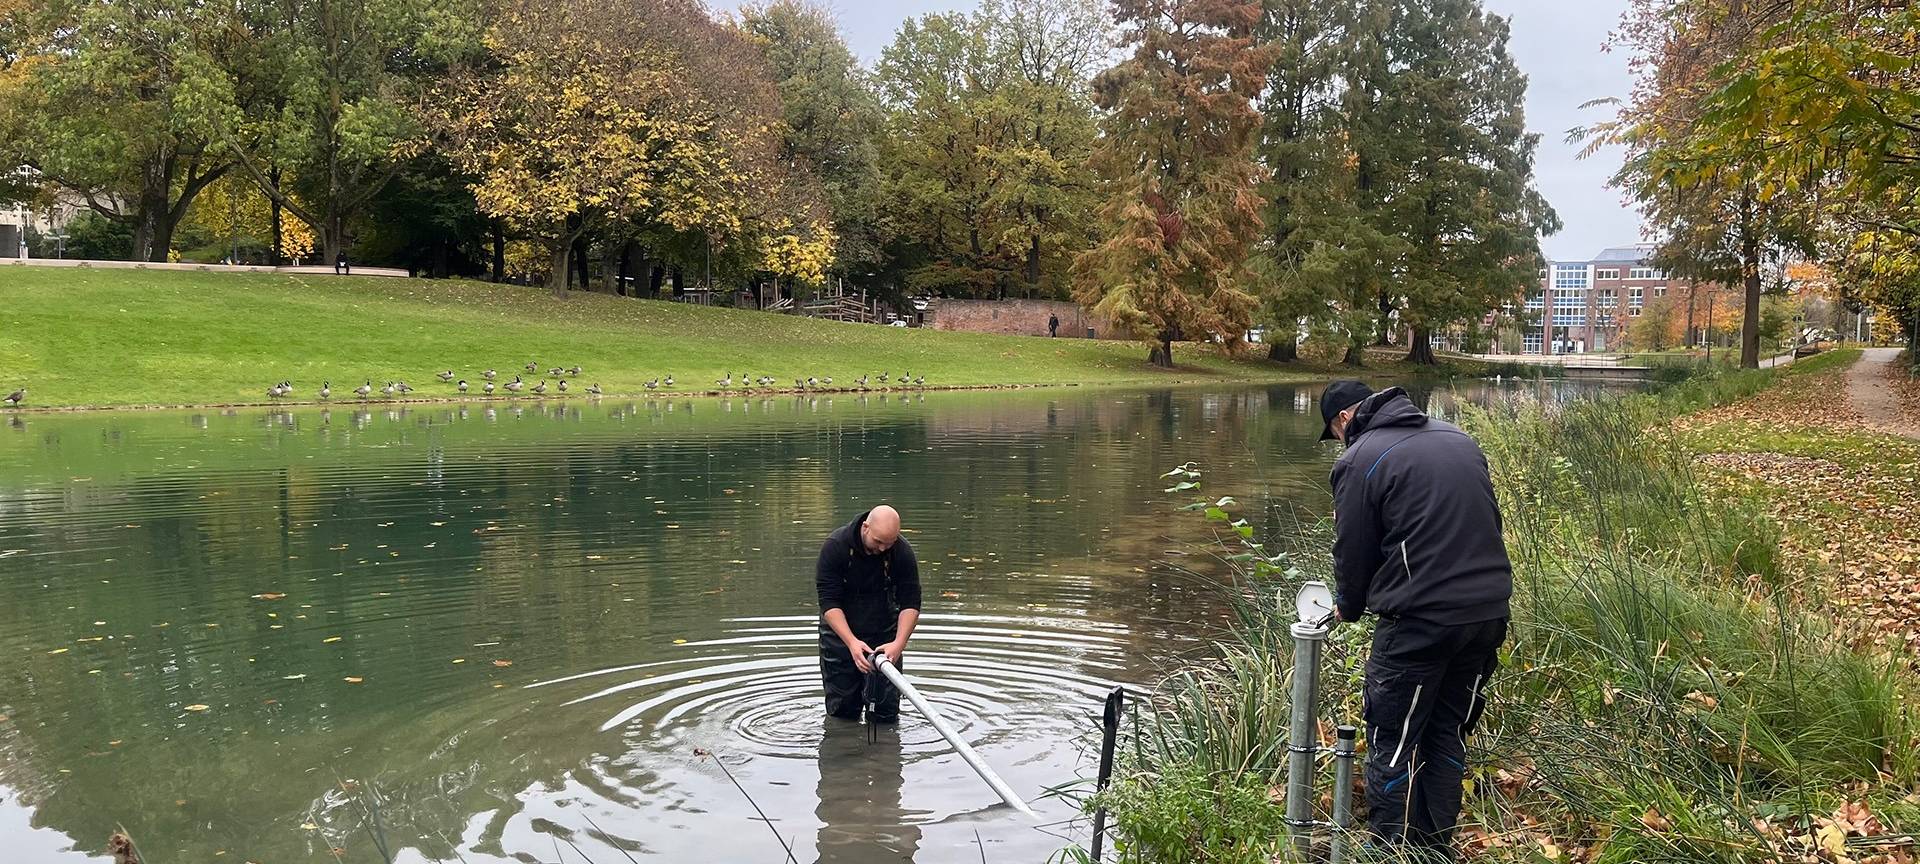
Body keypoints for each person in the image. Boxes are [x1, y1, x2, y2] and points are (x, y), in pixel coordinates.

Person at [1319, 380, 1513, 858]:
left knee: (1392, 738)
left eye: (1333, 432)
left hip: (1420, 620)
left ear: (1344, 418)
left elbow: (1354, 549)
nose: (1338, 443)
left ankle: (1386, 851)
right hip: (1488, 613)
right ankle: (1433, 850)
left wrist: (1347, 605)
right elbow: (1487, 521)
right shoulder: (1458, 439)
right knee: (1445, 732)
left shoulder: (1360, 458)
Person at [816, 505, 921, 722]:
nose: (883, 548)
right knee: (842, 711)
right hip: (840, 638)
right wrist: (852, 642)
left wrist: (899, 644)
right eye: (878, 542)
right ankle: (843, 750)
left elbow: (910, 602)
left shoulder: (901, 551)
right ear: (865, 527)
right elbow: (829, 602)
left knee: (885, 712)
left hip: (885, 636)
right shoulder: (835, 547)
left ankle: (885, 750)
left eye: (888, 543)